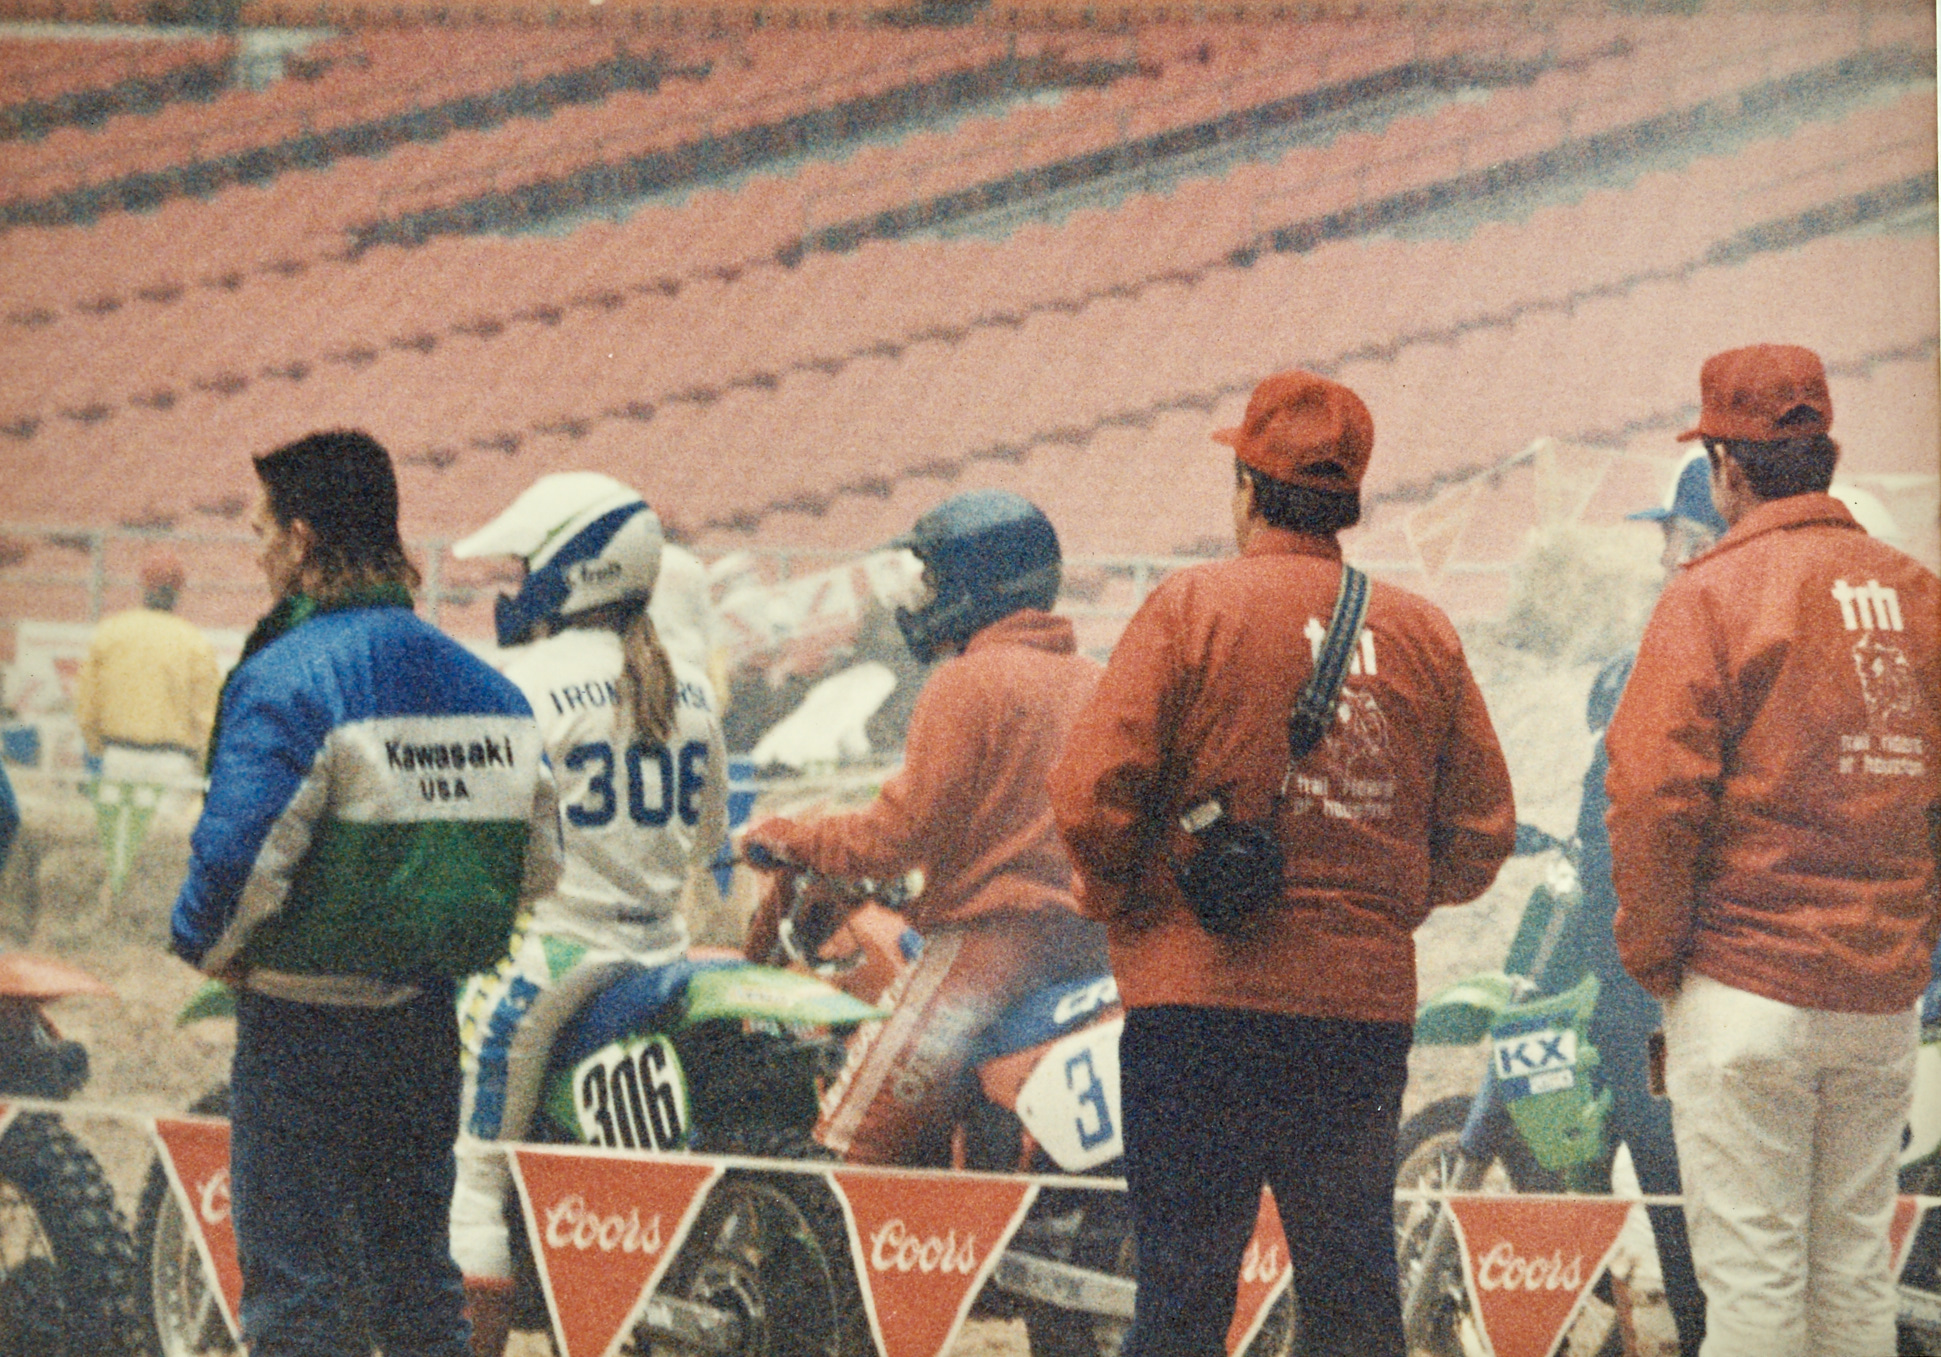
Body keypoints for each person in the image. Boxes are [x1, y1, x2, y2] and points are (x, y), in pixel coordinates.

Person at [1048, 370, 1516, 1357]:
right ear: (1347, 498)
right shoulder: (1421, 631)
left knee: (1180, 1304)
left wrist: (1131, 899)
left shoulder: (1190, 607)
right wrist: (1379, 904)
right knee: (1352, 1302)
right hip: (1355, 1018)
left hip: (1194, 1008)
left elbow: (1090, 795)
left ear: (1247, 490)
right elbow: (1481, 830)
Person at [171, 429, 562, 1357]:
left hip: (297, 1031)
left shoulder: (287, 678)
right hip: (423, 1023)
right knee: (418, 1283)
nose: (259, 553)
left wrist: (209, 950)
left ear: (302, 540)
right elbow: (539, 865)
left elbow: (235, 867)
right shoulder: (492, 692)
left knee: (297, 1295)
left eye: (262, 531)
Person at [1607, 343, 1940, 1356]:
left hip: (1744, 985)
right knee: (1851, 1277)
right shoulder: (1919, 596)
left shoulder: (1709, 595)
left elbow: (1652, 794)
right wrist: (1911, 935)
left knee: (1754, 1282)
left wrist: (1656, 956)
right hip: (1879, 1001)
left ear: (1726, 468)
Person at [741, 488, 1107, 1166]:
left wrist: (797, 838)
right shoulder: (1095, 680)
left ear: (976, 581)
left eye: (934, 579)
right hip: (1091, 947)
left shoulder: (968, 682)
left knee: (850, 1144)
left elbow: (897, 835)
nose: (924, 597)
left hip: (988, 954)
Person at [447, 472, 727, 1357]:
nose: (515, 584)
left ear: (571, 568)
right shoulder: (691, 688)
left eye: (525, 565)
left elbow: (481, 833)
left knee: (471, 1177)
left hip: (556, 957)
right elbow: (708, 833)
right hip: (663, 950)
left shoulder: (523, 679)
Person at [1555, 450, 1726, 1356]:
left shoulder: (1667, 659)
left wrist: (1633, 971)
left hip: (1652, 992)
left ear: (1700, 542)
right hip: (1707, 981)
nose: (1662, 557)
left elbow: (1629, 834)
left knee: (1679, 1201)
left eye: (1673, 537)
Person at [74, 548, 220, 780]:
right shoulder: (195, 643)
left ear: (143, 586)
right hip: (173, 762)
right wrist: (204, 765)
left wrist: (97, 749)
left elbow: (87, 706)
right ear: (178, 591)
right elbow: (206, 716)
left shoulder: (109, 633)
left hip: (118, 756)